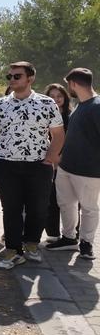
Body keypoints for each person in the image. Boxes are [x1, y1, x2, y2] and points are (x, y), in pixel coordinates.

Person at [0, 62, 65, 270]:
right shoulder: (0, 104)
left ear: (30, 78)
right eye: (9, 76)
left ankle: (31, 243)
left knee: (38, 208)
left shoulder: (46, 103)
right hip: (6, 165)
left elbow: (58, 134)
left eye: (17, 76)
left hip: (38, 166)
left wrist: (49, 159)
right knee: (11, 209)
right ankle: (13, 251)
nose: (11, 79)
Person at [46, 68, 99, 260]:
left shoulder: (97, 106)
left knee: (89, 208)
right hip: (66, 167)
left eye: (69, 85)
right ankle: (69, 238)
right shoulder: (80, 105)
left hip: (88, 171)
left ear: (73, 84)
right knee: (66, 204)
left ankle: (86, 243)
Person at [43, 82, 74, 243]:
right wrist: (53, 155)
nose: (56, 99)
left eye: (59, 96)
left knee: (70, 202)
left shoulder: (72, 117)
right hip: (49, 161)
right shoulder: (42, 116)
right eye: (52, 96)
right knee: (51, 199)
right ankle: (53, 233)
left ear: (65, 97)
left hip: (68, 163)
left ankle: (72, 234)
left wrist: (62, 156)